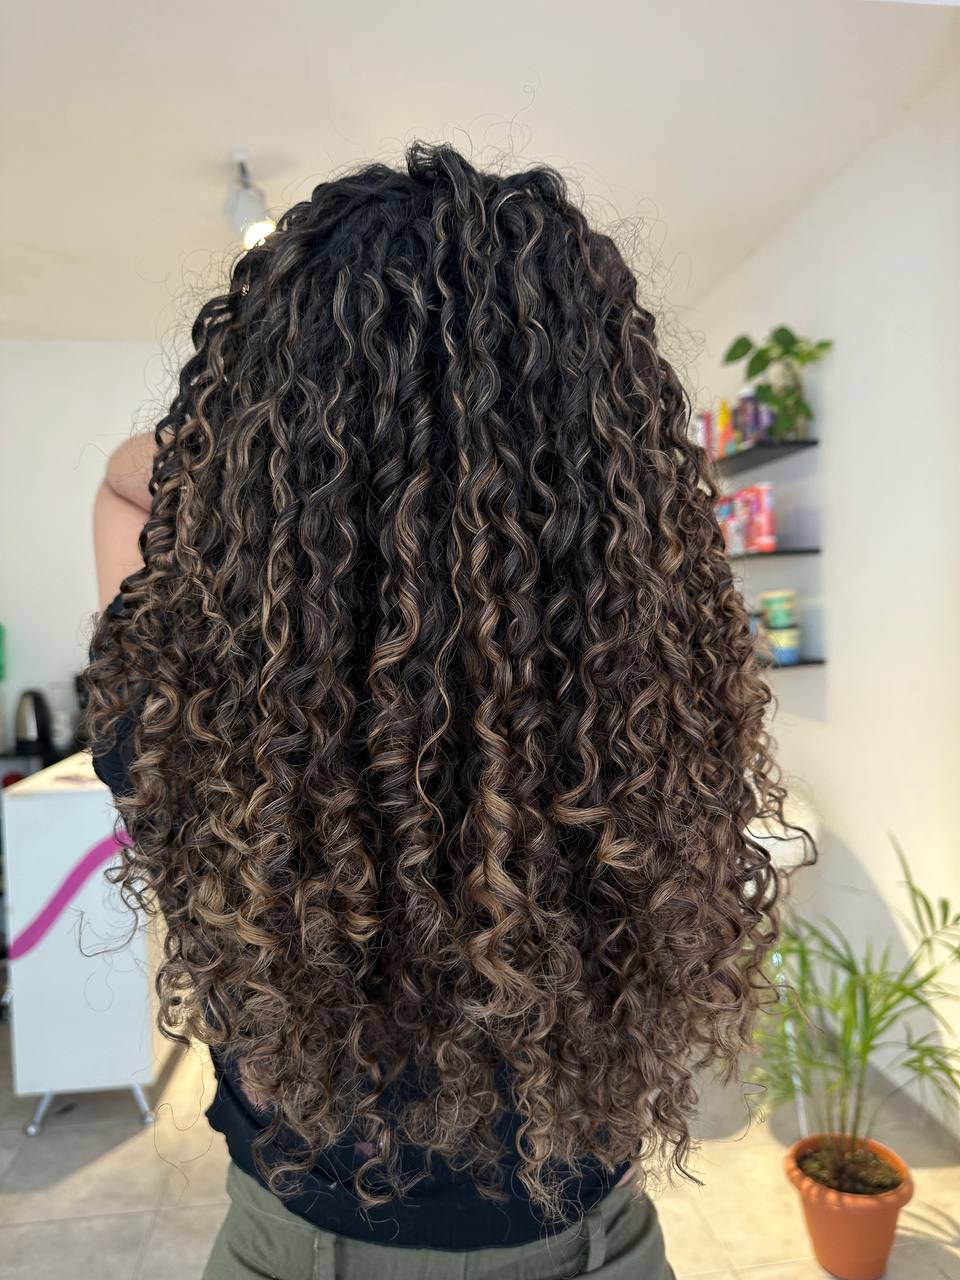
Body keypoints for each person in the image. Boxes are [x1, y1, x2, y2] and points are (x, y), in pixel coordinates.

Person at [85, 144, 791, 1279]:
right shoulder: (652, 717)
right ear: (603, 457)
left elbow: (126, 486)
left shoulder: (191, 718)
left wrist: (229, 460)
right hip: (592, 1246)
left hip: (303, 1251)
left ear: (272, 450)